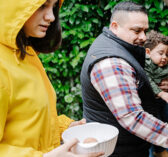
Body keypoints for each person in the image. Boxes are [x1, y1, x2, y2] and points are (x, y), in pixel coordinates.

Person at [80, 1, 168, 157]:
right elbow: (133, 117)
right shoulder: (111, 63)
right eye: (137, 31)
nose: (143, 37)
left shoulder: (117, 47)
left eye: (145, 31)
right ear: (115, 26)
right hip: (118, 152)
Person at [0, 0, 104, 157]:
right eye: (42, 5)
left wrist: (65, 129)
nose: (51, 17)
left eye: (54, 7)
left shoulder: (25, 52)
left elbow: (26, 121)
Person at [144, 30, 168, 155]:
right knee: (155, 124)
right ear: (148, 52)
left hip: (161, 102)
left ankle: (163, 143)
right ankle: (157, 148)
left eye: (167, 54)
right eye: (161, 53)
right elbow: (148, 81)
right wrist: (161, 93)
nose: (165, 57)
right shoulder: (147, 65)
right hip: (151, 103)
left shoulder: (164, 68)